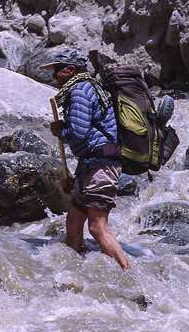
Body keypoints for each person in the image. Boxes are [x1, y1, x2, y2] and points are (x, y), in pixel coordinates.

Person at [43, 49, 130, 270]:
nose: (54, 76)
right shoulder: (90, 88)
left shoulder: (80, 91)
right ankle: (75, 275)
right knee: (73, 221)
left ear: (70, 70)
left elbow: (79, 132)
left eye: (57, 70)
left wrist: (60, 131)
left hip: (101, 165)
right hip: (91, 164)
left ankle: (131, 278)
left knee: (97, 227)